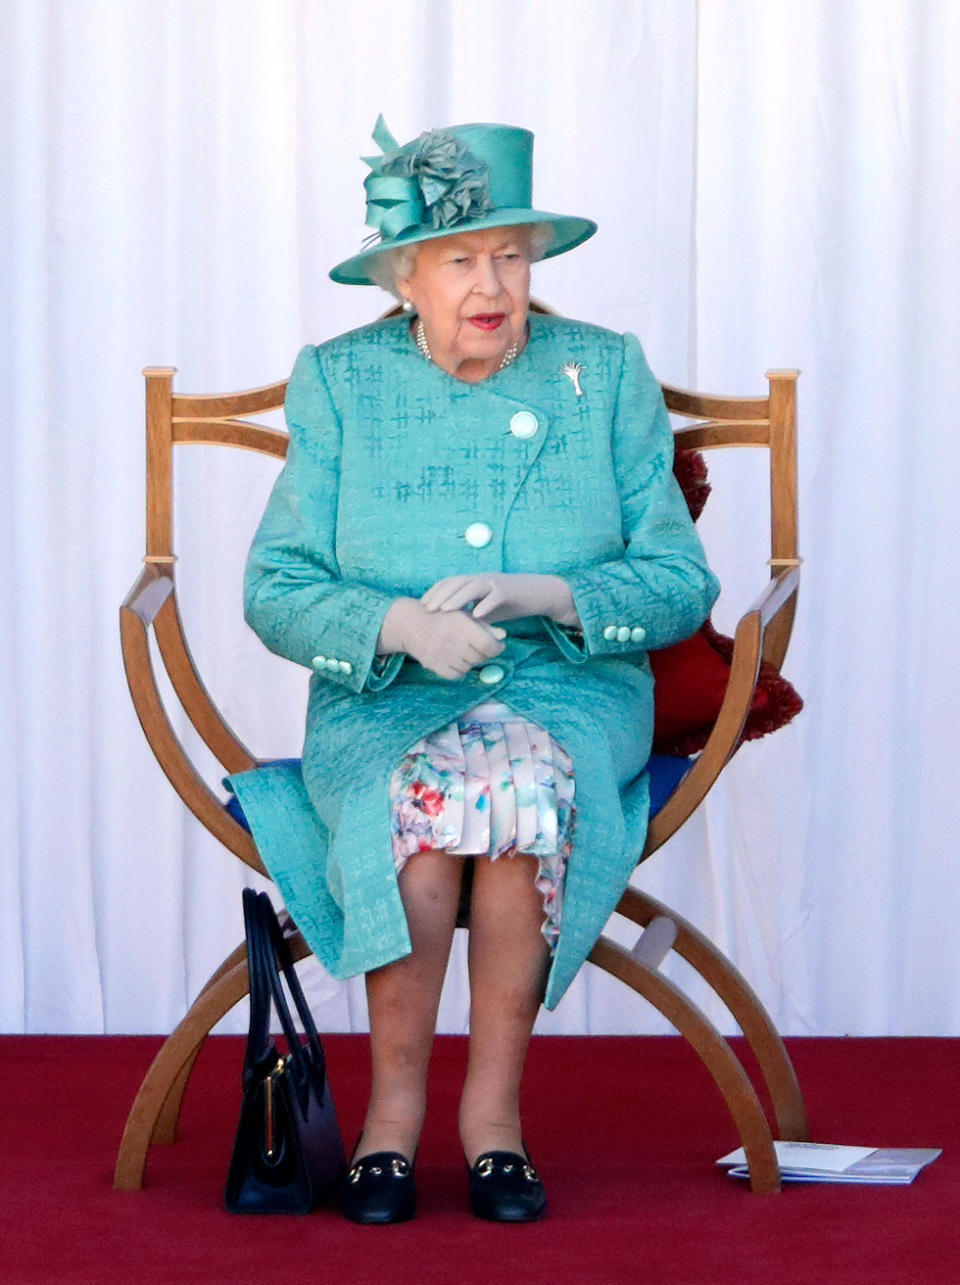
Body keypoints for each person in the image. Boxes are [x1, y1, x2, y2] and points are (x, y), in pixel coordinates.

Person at [228, 116, 719, 1224]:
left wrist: (558, 597)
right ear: (405, 275)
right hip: (388, 698)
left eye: (510, 253)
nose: (490, 282)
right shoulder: (342, 382)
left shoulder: (606, 369)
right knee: (441, 792)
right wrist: (395, 622)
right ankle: (390, 1119)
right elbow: (275, 585)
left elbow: (680, 580)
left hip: (570, 690)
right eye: (459, 257)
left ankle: (490, 1118)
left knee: (517, 790)